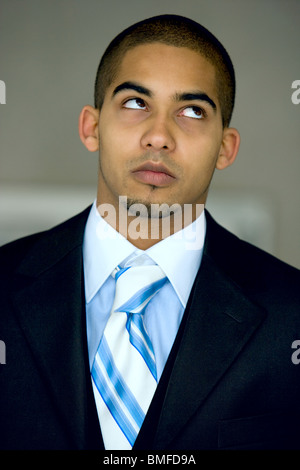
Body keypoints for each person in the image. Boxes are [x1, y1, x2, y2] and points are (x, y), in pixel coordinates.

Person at [0, 14, 299, 451]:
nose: (159, 136)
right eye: (136, 103)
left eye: (192, 111)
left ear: (225, 147)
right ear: (91, 127)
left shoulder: (292, 313)